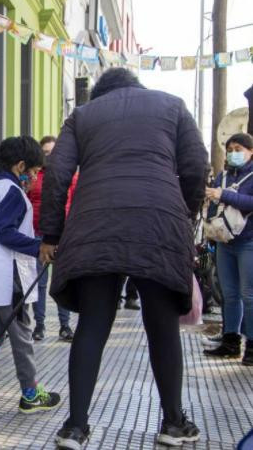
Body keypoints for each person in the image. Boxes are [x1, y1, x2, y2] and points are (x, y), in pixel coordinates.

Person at [39, 68, 208, 449]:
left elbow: (57, 174)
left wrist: (51, 233)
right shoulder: (173, 106)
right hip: (158, 223)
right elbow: (196, 166)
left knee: (93, 324)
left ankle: (76, 426)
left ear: (99, 93)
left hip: (94, 224)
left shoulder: (83, 115)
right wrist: (186, 213)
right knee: (162, 326)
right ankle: (173, 423)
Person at [0, 135, 61, 415]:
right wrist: (40, 246)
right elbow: (5, 232)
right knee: (22, 336)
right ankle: (30, 394)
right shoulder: (13, 192)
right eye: (34, 172)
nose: (35, 178)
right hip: (9, 281)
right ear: (21, 166)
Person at [203, 132, 253, 366]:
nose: (234, 153)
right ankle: (230, 341)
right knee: (230, 294)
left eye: (238, 149)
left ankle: (251, 345)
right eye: (230, 149)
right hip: (224, 242)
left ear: (250, 151)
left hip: (248, 242)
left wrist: (225, 195)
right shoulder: (222, 176)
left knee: (249, 295)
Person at [27, 135, 77, 342]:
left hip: (65, 234)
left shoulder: (72, 177)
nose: (50, 156)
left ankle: (65, 326)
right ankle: (39, 325)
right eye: (46, 152)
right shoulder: (34, 177)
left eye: (53, 152)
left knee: (62, 281)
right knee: (39, 282)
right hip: (40, 234)